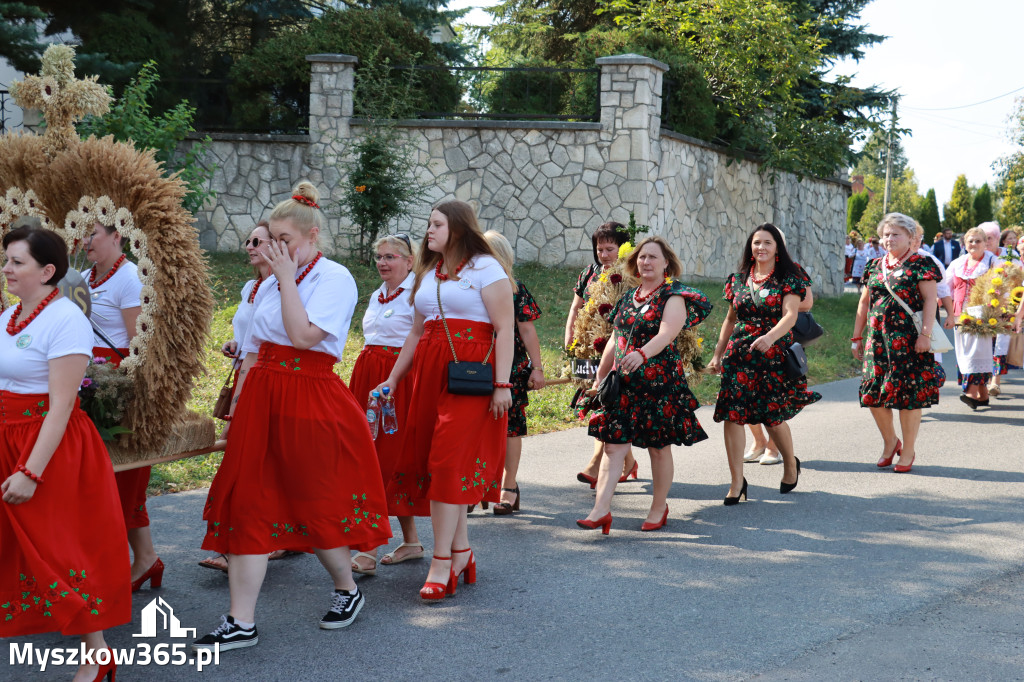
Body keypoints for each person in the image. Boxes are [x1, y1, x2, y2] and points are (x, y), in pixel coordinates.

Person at [194, 182, 390, 651]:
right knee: (249, 501)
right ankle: (241, 620)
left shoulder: (335, 278)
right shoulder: (269, 282)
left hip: (309, 394)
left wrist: (282, 279)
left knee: (313, 501)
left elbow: (303, 337)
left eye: (285, 240)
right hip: (263, 393)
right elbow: (256, 349)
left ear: (311, 236)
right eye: (271, 239)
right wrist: (239, 406)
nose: (277, 249)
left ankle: (346, 588)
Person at [1, 222, 131, 682]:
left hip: (48, 448)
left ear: (48, 270)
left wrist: (30, 472)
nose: (7, 269)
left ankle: (97, 655)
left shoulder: (67, 319)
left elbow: (61, 406)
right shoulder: (8, 318)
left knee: (58, 549)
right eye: (7, 260)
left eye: (17, 262)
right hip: (8, 435)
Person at [378, 200, 514, 600]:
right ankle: (462, 552)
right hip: (429, 373)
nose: (428, 231)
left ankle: (442, 563)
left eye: (436, 224)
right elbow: (417, 333)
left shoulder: (486, 268)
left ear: (457, 228)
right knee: (436, 465)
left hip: (469, 378)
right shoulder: (428, 272)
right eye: (428, 224)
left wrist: (502, 384)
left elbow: (505, 329)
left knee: (446, 463)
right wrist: (391, 379)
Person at [578, 236, 710, 534]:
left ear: (666, 263)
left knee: (658, 448)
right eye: (642, 257)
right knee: (613, 446)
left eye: (653, 257)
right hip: (623, 383)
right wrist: (601, 374)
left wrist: (642, 353)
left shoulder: (673, 296)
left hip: (659, 383)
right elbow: (616, 336)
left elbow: (667, 333)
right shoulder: (629, 297)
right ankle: (600, 510)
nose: (646, 262)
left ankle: (658, 506)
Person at [200, 221, 298, 573]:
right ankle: (266, 539)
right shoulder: (250, 288)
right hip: (246, 374)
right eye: (248, 240)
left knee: (251, 464)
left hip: (266, 380)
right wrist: (234, 345)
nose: (250, 245)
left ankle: (246, 543)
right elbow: (250, 334)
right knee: (252, 463)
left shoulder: (286, 286)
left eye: (259, 240)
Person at [709, 223, 820, 503]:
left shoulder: (788, 278)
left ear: (777, 248)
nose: (761, 247)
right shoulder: (738, 279)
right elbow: (731, 318)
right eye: (756, 242)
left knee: (773, 415)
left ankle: (790, 465)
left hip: (772, 353)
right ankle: (736, 482)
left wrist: (769, 338)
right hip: (739, 353)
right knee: (733, 415)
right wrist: (718, 353)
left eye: (767, 243)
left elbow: (791, 316)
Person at [81, 219, 160, 593]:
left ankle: (117, 567)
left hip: (114, 387)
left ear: (117, 236)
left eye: (92, 233)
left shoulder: (130, 277)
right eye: (80, 233)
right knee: (95, 480)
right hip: (82, 382)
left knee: (120, 480)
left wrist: (124, 393)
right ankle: (146, 560)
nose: (84, 241)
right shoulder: (79, 276)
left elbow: (136, 345)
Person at [349, 233, 424, 575]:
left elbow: (419, 341)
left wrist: (393, 379)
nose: (382, 262)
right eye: (379, 256)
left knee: (388, 459)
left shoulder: (417, 295)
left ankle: (369, 549)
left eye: (391, 256)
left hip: (397, 381)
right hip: (367, 374)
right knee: (367, 456)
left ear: (410, 261)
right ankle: (410, 541)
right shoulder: (378, 294)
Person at [852, 213, 944, 472]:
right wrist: (857, 337)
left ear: (911, 238)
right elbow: (863, 303)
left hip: (909, 341)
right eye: (885, 234)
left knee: (908, 396)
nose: (889, 239)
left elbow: (929, 301)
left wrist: (925, 335)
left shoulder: (921, 264)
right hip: (877, 339)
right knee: (873, 395)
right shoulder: (874, 265)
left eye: (895, 234)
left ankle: (909, 451)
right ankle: (891, 442)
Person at [565, 221, 637, 486]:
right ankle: (628, 463)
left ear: (622, 249)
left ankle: (596, 465)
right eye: (600, 249)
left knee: (607, 401)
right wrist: (569, 339)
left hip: (619, 347)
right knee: (597, 400)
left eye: (610, 249)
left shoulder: (632, 274)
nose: (603, 254)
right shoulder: (589, 273)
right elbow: (576, 308)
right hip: (588, 346)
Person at [483, 230, 545, 515]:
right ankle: (482, 485)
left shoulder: (514, 288)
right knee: (479, 426)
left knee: (511, 426)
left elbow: (527, 330)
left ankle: (509, 485)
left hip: (512, 368)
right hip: (477, 366)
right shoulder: (472, 286)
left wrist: (538, 367)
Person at [744, 257, 815, 467]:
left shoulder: (793, 270)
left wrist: (778, 302)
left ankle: (773, 448)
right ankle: (758, 443)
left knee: (775, 395)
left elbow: (808, 302)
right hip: (749, 339)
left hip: (780, 338)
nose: (763, 248)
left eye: (771, 242)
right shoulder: (747, 273)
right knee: (746, 394)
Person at [943, 227, 1000, 408]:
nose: (974, 244)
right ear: (965, 244)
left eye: (978, 241)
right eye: (970, 241)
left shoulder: (993, 261)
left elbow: (1003, 288)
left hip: (984, 315)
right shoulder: (958, 263)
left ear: (985, 243)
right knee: (964, 353)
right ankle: (982, 395)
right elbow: (945, 287)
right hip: (960, 314)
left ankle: (971, 391)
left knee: (977, 352)